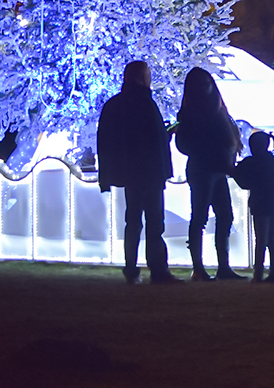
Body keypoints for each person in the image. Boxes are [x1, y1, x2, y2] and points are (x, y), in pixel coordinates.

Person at [96, 61, 180, 284]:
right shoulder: (145, 103)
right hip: (150, 173)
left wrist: (108, 174)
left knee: (133, 221)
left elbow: (106, 140)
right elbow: (152, 140)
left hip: (131, 173)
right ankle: (158, 269)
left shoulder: (116, 104)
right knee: (154, 222)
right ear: (142, 78)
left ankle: (131, 268)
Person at [174, 66, 245, 281]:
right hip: (204, 170)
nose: (205, 88)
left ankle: (222, 267)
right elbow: (183, 144)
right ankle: (199, 268)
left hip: (218, 170)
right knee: (200, 217)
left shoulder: (217, 111)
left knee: (224, 215)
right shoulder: (191, 114)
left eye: (207, 83)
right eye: (200, 85)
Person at [231, 131, 274, 282]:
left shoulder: (250, 163)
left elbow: (243, 182)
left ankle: (258, 274)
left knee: (260, 240)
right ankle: (273, 274)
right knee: (272, 240)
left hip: (260, 203)